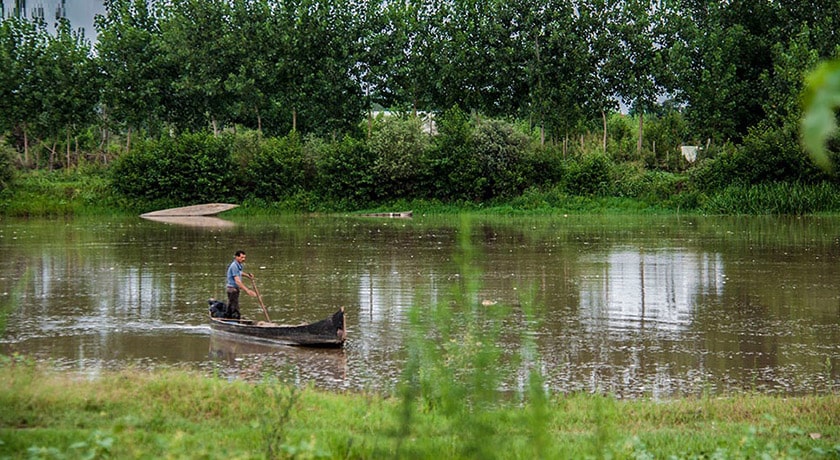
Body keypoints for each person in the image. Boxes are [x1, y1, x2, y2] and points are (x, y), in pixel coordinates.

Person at [226, 250, 256, 318]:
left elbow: (239, 273)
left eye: (244, 257)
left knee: (231, 306)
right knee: (235, 308)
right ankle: (234, 322)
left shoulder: (239, 265)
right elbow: (237, 281)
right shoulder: (234, 266)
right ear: (236, 257)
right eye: (242, 257)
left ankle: (228, 318)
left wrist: (248, 275)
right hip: (232, 289)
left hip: (235, 289)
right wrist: (247, 290)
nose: (243, 259)